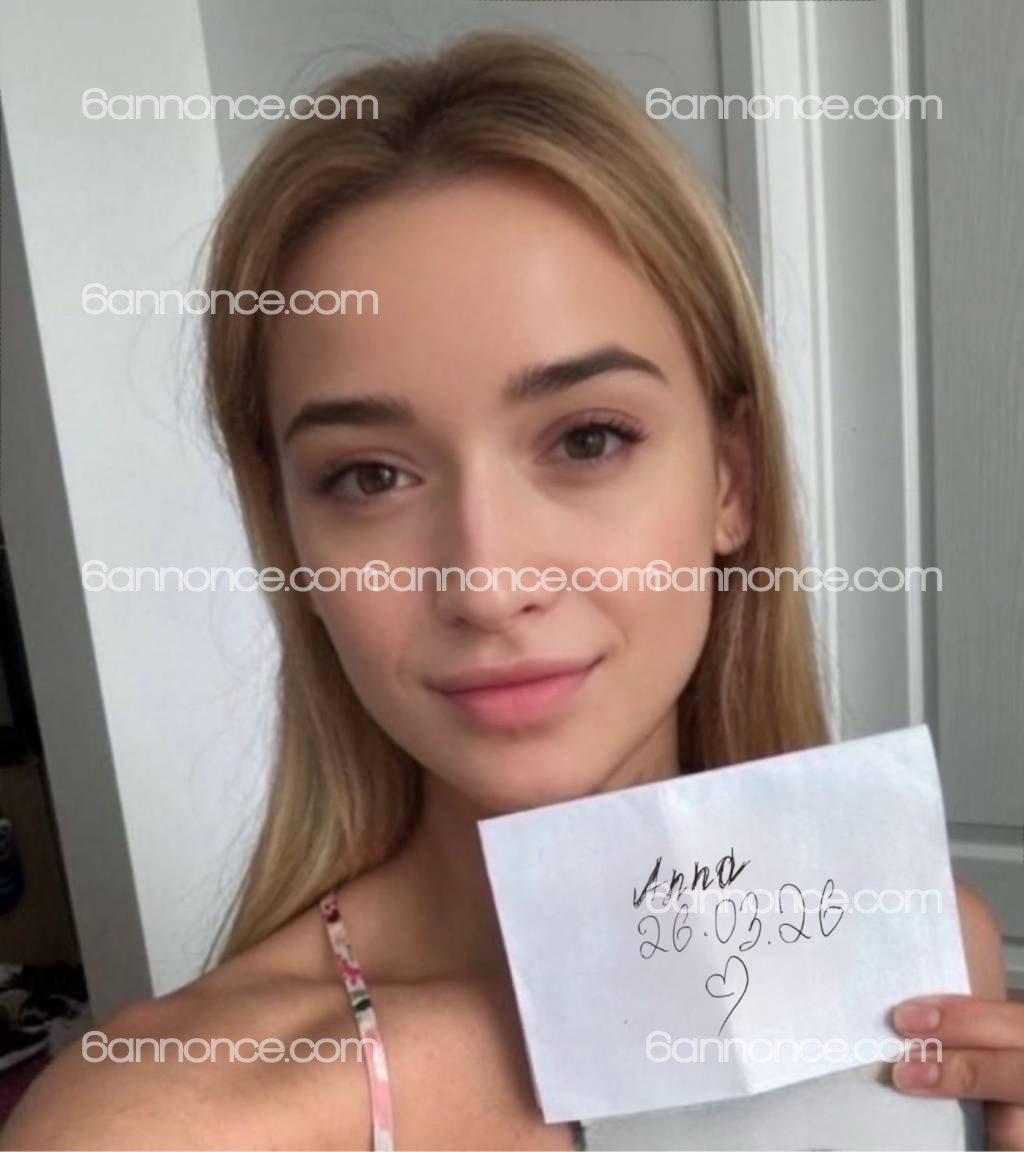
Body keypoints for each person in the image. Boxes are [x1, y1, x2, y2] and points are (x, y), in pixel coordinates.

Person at [2, 29, 1018, 1152]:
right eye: (370, 476)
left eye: (588, 439)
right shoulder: (155, 1124)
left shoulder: (921, 963)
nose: (486, 586)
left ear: (730, 481)